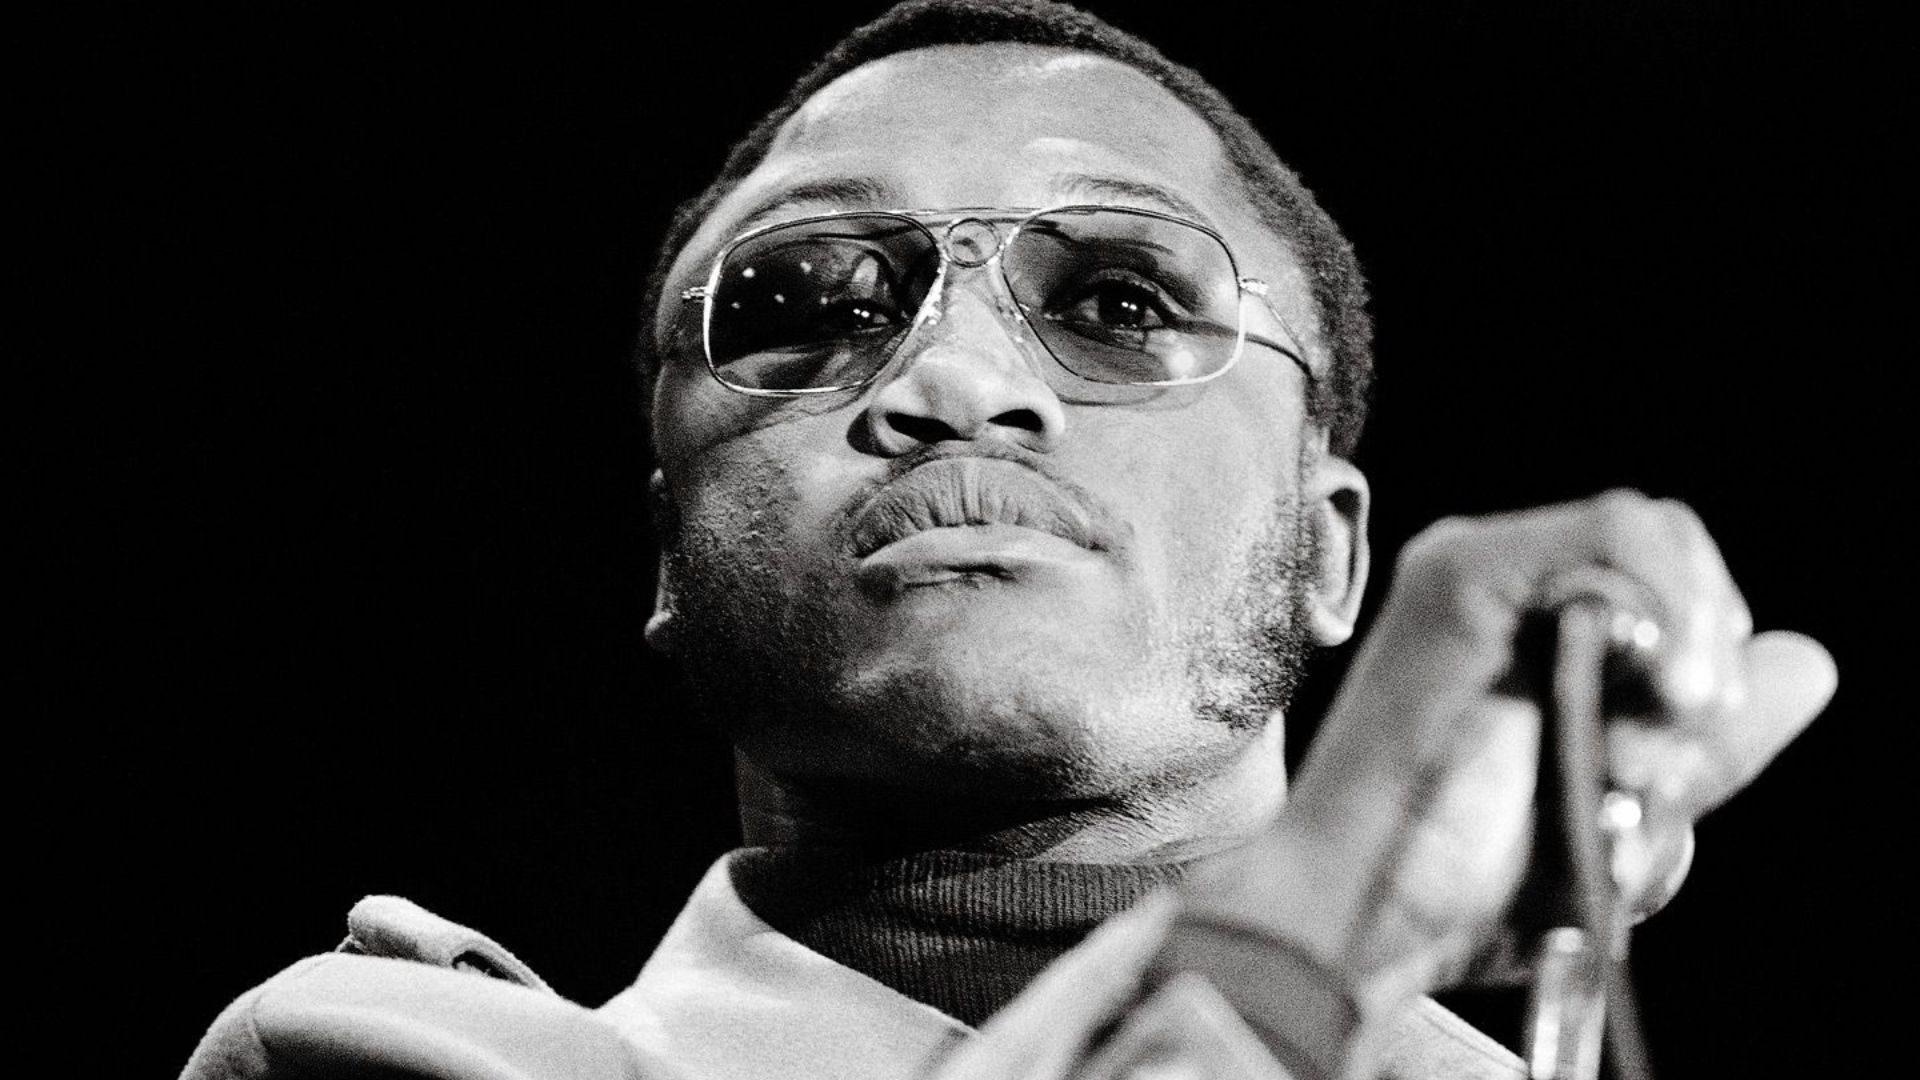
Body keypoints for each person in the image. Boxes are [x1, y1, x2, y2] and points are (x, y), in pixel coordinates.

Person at [181, 1, 1837, 1078]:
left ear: (1330, 550)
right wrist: (1307, 939)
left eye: (1118, 302)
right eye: (808, 303)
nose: (955, 381)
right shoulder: (374, 1053)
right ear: (670, 558)